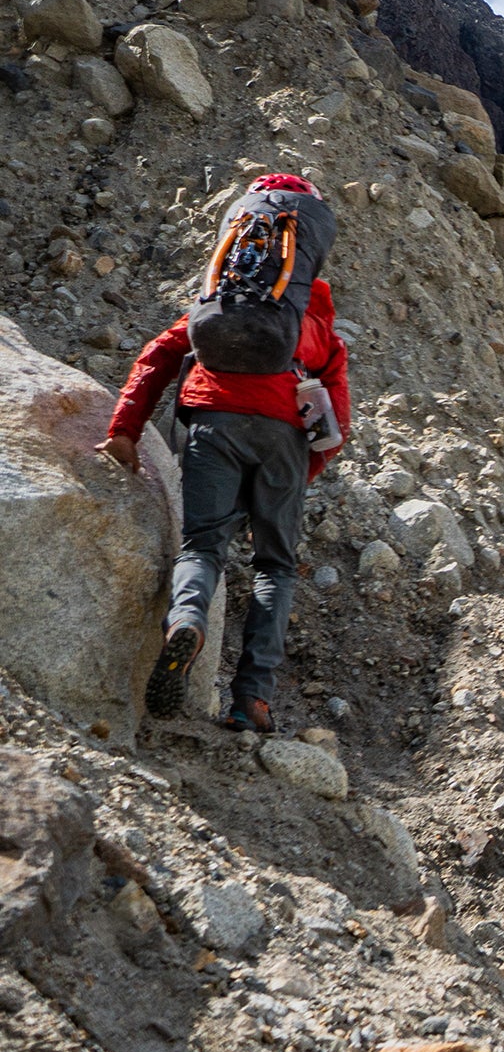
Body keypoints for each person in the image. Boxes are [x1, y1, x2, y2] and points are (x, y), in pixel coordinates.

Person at [96, 174, 348, 734]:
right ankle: (251, 701)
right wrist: (300, 474)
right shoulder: (316, 328)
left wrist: (125, 429)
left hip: (211, 422)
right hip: (285, 439)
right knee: (275, 566)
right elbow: (337, 425)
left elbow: (158, 357)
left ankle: (187, 619)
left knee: (203, 545)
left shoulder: (219, 306)